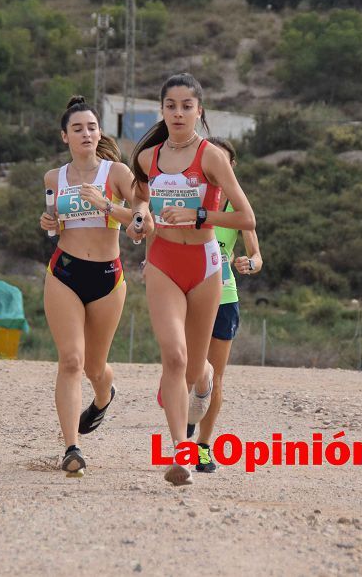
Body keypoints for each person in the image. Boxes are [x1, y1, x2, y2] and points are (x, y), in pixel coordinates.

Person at [127, 73, 256, 486]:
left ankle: (202, 383)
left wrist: (201, 215)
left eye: (187, 105)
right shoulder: (148, 158)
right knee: (175, 357)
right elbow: (141, 206)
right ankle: (181, 453)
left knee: (196, 369)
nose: (179, 112)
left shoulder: (212, 157)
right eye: (171, 105)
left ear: (200, 110)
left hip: (206, 263)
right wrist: (139, 221)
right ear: (161, 110)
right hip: (163, 260)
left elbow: (246, 218)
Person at [39, 95, 137, 478]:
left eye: (92, 127)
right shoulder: (53, 178)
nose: (86, 133)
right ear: (65, 136)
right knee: (71, 361)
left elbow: (143, 218)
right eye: (77, 128)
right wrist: (49, 224)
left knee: (96, 367)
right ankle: (71, 448)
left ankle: (103, 395)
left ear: (100, 133)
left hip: (107, 278)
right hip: (63, 272)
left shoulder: (116, 174)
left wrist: (106, 205)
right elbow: (54, 220)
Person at [191, 138, 263, 473]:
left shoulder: (238, 207)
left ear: (230, 166)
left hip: (224, 297)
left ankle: (203, 447)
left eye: (220, 159)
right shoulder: (188, 198)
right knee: (187, 372)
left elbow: (256, 253)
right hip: (187, 296)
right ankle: (184, 432)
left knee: (215, 377)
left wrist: (251, 262)